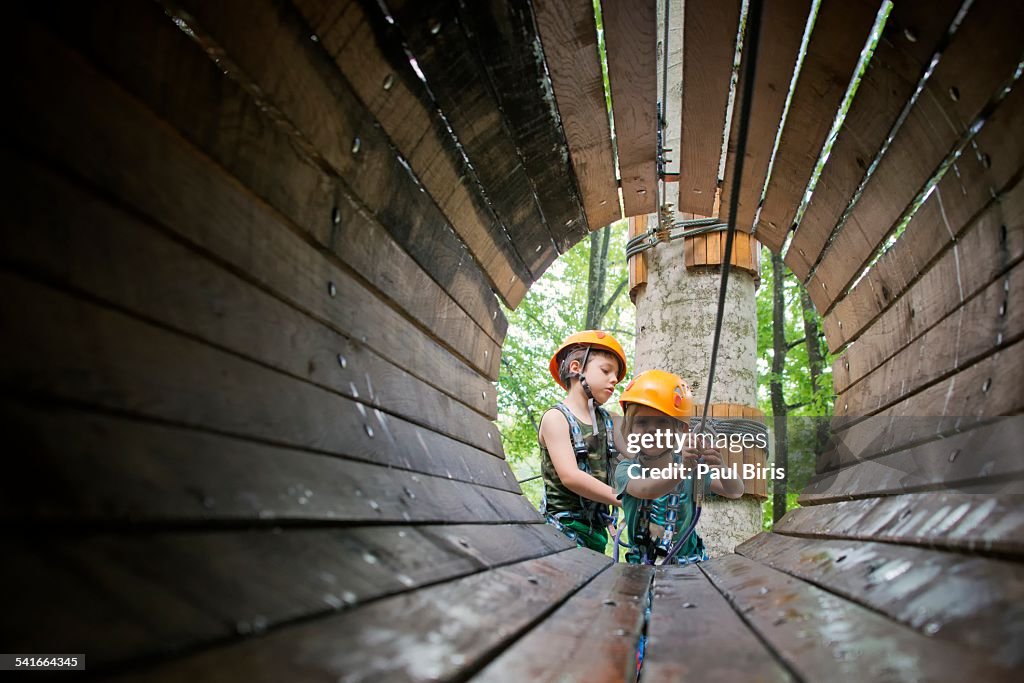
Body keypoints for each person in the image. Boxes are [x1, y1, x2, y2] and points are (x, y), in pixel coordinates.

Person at [614, 369, 744, 564]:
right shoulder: (626, 469)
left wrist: (721, 468)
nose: (651, 430)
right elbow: (645, 489)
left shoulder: (693, 471)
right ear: (629, 428)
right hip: (641, 565)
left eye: (662, 422)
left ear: (679, 429)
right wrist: (683, 469)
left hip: (688, 566)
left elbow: (735, 491)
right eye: (642, 422)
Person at [538, 330, 628, 553]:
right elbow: (571, 477)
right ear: (576, 369)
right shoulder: (556, 419)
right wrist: (623, 498)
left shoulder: (609, 421)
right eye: (606, 370)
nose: (614, 379)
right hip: (561, 530)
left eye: (616, 375)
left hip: (595, 533)